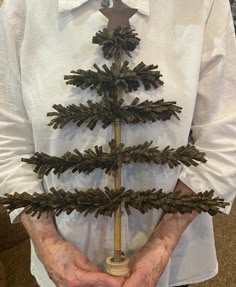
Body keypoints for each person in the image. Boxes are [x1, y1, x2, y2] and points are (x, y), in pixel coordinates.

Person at [0, 0, 235, 286]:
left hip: (170, 259)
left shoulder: (202, 6)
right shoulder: (22, 8)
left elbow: (223, 137)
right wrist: (47, 241)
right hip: (62, 260)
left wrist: (162, 244)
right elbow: (8, 140)